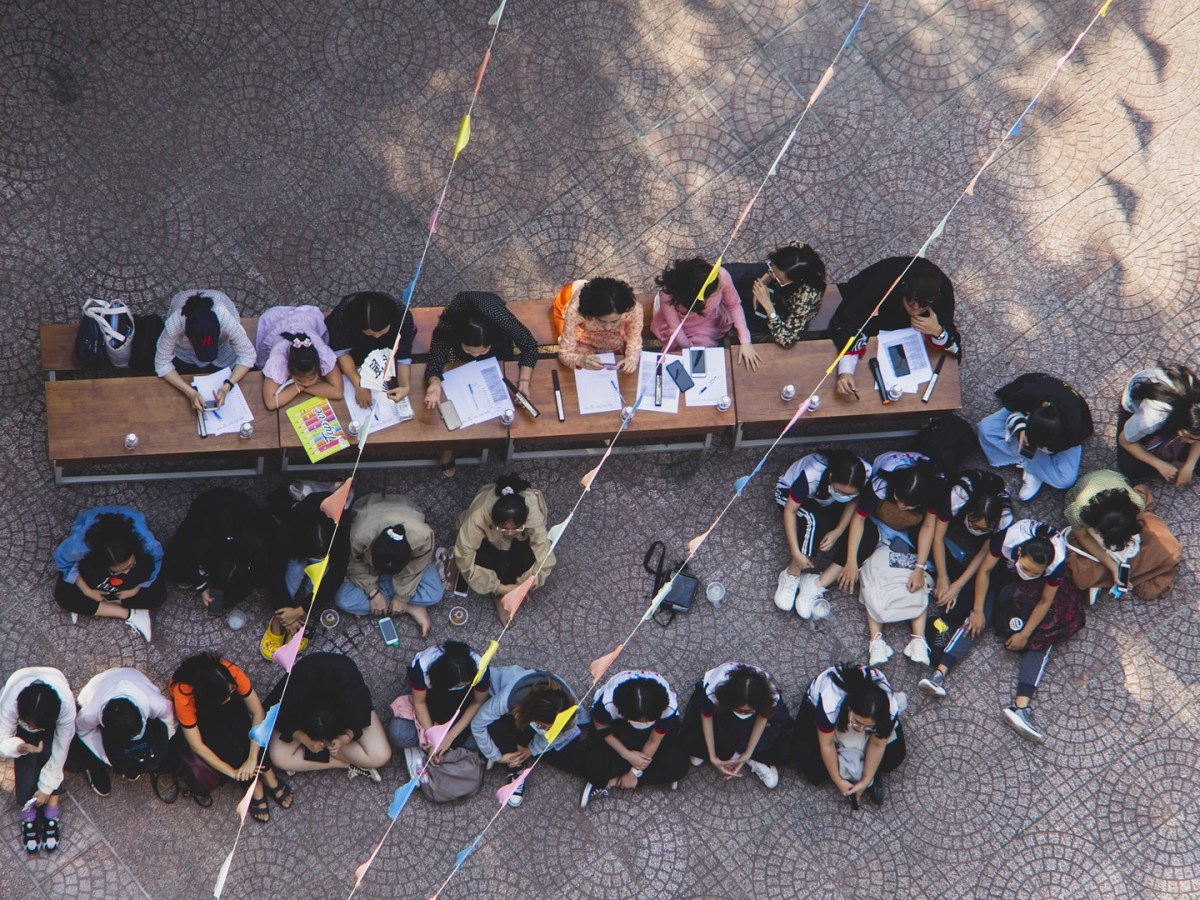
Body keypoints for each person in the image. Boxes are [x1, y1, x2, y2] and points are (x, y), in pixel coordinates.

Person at [917, 519, 1085, 744]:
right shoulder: (1009, 539)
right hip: (1001, 578)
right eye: (1025, 568)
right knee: (975, 619)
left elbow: (1046, 600)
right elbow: (985, 571)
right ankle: (938, 675)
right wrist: (977, 610)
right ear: (1018, 553)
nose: (1028, 573)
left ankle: (1021, 708)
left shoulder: (1057, 563)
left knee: (1046, 632)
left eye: (1035, 572)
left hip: (1032, 594)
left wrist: (1025, 633)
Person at [835, 453, 943, 666]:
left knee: (913, 579)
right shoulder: (882, 483)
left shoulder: (935, 490)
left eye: (909, 505)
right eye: (898, 500)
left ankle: (918, 640)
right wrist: (851, 561)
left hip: (906, 535)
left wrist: (919, 568)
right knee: (872, 574)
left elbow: (929, 527)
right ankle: (876, 641)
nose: (901, 506)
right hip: (877, 526)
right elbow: (859, 518)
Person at [423, 290, 538, 474]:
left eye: (482, 350)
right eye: (470, 350)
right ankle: (449, 446)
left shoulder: (502, 321)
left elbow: (530, 346)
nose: (476, 355)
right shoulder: (448, 327)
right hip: (459, 360)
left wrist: (524, 382)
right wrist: (434, 383)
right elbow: (435, 362)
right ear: (458, 339)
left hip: (498, 355)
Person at [168, 653, 292, 823]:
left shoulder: (229, 671)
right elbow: (197, 746)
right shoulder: (184, 696)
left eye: (232, 690)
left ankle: (266, 774)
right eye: (227, 694)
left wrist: (252, 758)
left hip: (218, 700)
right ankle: (253, 784)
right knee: (219, 742)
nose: (231, 695)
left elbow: (258, 713)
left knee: (245, 726)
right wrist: (233, 773)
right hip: (203, 711)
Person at [829, 256, 960, 398]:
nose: (915, 312)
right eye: (910, 305)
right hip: (882, 307)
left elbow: (951, 339)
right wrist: (846, 370)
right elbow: (851, 320)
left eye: (921, 309)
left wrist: (937, 331)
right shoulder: (882, 283)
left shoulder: (943, 290)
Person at [926, 469, 1014, 663]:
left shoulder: (1004, 519)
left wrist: (958, 585)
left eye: (983, 528)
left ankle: (941, 627)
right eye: (974, 524)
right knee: (923, 544)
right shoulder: (957, 496)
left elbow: (984, 554)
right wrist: (943, 577)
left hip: (971, 557)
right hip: (946, 537)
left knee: (979, 585)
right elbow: (937, 537)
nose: (978, 530)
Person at [471, 666, 589, 807]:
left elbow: (563, 733)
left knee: (570, 757)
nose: (548, 731)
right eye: (544, 726)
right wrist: (496, 755)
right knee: (495, 728)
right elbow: (478, 724)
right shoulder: (510, 698)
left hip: (526, 720)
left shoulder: (569, 712)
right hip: (501, 708)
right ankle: (516, 768)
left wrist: (531, 750)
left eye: (551, 728)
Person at [263, 483, 357, 659]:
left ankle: (299, 609)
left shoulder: (339, 525)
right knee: (293, 571)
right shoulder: (290, 527)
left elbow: (337, 572)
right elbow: (274, 569)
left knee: (323, 572)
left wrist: (301, 609)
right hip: (297, 550)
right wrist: (284, 607)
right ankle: (280, 616)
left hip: (320, 551)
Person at [773, 449, 871, 617]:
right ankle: (791, 573)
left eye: (849, 493)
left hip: (827, 502)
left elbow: (853, 503)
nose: (844, 496)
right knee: (814, 520)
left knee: (869, 533)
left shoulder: (866, 473)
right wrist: (796, 552)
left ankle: (815, 584)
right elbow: (790, 512)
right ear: (831, 477)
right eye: (840, 491)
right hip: (789, 495)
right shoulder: (811, 475)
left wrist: (838, 531)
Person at [266, 652, 391, 780]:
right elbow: (279, 717)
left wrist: (345, 738)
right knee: (279, 757)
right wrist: (304, 739)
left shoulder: (352, 697)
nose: (324, 743)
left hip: (342, 699)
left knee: (381, 754)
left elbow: (361, 716)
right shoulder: (293, 694)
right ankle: (348, 764)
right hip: (303, 706)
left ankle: (311, 756)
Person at [793, 663, 905, 806]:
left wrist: (865, 780)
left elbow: (878, 743)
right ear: (849, 708)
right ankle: (854, 763)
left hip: (856, 717)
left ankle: (859, 768)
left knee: (895, 756)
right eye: (858, 722)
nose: (861, 729)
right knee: (811, 766)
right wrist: (837, 780)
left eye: (869, 727)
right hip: (818, 707)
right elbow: (826, 744)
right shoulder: (830, 703)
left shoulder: (890, 709)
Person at [1063, 470, 1181, 602]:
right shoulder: (1078, 512)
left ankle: (1101, 582)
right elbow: (1083, 537)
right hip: (1085, 495)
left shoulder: (1136, 502)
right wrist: (1112, 566)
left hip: (1115, 483)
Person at [453, 474, 555, 624]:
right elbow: (464, 555)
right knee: (479, 558)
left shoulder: (532, 513)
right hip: (489, 539)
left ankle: (511, 589)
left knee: (529, 557)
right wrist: (499, 588)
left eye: (515, 528)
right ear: (494, 520)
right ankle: (499, 595)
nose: (509, 533)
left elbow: (544, 555)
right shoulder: (479, 516)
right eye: (504, 528)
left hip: (520, 540)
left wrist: (522, 586)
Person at [579, 670, 689, 808]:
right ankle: (647, 773)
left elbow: (654, 740)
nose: (643, 724)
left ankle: (611, 782)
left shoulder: (667, 708)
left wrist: (634, 773)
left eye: (647, 721)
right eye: (639, 721)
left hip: (652, 735)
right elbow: (601, 727)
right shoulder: (607, 705)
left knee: (680, 766)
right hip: (619, 728)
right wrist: (627, 754)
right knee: (589, 766)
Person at [52, 506, 164, 642]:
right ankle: (128, 613)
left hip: (114, 578)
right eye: (117, 571)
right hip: (93, 572)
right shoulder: (79, 546)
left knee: (158, 595)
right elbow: (62, 560)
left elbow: (156, 562)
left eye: (130, 565)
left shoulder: (148, 544)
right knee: (64, 596)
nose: (126, 572)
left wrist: (136, 589)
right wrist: (86, 590)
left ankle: (99, 605)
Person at [976, 373, 1094, 501]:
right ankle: (1038, 469)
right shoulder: (1029, 393)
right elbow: (1016, 409)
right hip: (1031, 414)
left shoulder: (1073, 427)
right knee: (985, 430)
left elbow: (1061, 446)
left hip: (1063, 437)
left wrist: (1031, 445)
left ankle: (1029, 466)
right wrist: (1021, 428)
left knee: (1066, 479)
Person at [678, 662, 792, 790]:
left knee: (785, 747)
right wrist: (712, 756)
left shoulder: (769, 695)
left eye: (748, 711)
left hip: (745, 715)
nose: (743, 713)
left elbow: (762, 718)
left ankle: (748, 756)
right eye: (740, 710)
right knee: (695, 737)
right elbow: (707, 718)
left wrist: (749, 752)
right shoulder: (714, 693)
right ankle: (737, 752)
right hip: (722, 711)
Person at [67, 667, 176, 796]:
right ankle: (94, 768)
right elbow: (84, 732)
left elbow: (170, 722)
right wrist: (106, 757)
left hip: (133, 678)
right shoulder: (90, 714)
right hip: (97, 688)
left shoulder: (158, 705)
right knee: (77, 750)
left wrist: (161, 743)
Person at [387, 641, 491, 776]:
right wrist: (433, 740)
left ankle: (423, 748)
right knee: (398, 734)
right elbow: (420, 703)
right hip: (428, 699)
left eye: (463, 685)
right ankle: (425, 749)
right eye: (455, 685)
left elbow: (477, 702)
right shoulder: (422, 668)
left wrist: (450, 736)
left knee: (476, 742)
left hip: (462, 705)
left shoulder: (480, 668)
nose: (458, 687)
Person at [0, 668, 75, 853]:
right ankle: (29, 809)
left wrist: (46, 788)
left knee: (51, 753)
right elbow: (2, 740)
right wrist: (19, 747)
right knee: (25, 760)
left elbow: (61, 749)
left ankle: (51, 804)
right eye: (28, 724)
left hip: (48, 719)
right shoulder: (10, 702)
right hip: (25, 721)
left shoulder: (66, 706)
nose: (31, 728)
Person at [346, 493, 443, 636]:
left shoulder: (422, 537)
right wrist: (373, 592)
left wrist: (402, 596)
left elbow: (416, 565)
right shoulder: (359, 536)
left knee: (435, 594)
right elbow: (351, 563)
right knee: (344, 599)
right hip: (368, 510)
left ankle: (389, 603)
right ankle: (409, 607)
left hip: (402, 562)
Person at [161, 488, 271, 614]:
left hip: (239, 514)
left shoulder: (255, 543)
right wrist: (201, 585)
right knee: (173, 571)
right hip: (207, 512)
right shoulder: (199, 531)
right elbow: (178, 557)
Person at [649, 257, 760, 369]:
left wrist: (746, 342)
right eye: (718, 289)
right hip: (678, 325)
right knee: (679, 356)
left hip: (708, 320)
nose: (722, 285)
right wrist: (691, 349)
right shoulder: (668, 296)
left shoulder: (721, 275)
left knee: (705, 352)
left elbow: (734, 305)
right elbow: (676, 331)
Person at [154, 289, 256, 410]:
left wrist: (227, 385)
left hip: (223, 348)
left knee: (225, 366)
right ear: (188, 337)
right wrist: (191, 393)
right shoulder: (175, 323)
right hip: (185, 352)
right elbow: (162, 363)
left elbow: (248, 355)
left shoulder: (224, 317)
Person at [325, 290, 417, 408]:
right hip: (356, 344)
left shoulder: (403, 316)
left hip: (388, 344)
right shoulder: (343, 314)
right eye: (370, 333)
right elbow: (341, 350)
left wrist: (405, 386)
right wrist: (359, 385)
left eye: (382, 332)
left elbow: (403, 355)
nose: (377, 336)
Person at [728, 242, 828, 347]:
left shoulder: (807, 298)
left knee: (751, 316)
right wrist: (766, 277)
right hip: (781, 291)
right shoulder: (796, 249)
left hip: (786, 311)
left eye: (780, 279)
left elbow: (787, 339)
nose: (774, 275)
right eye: (773, 268)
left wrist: (768, 307)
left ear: (797, 280)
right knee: (745, 274)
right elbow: (773, 272)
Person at [1116, 364, 1200, 487]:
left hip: (1171, 415)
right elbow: (1124, 440)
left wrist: (1189, 467)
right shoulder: (1152, 418)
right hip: (1137, 409)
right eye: (1189, 437)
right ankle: (1174, 462)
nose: (1190, 442)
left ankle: (1178, 462)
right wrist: (1160, 465)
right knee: (1129, 466)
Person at [254, 305, 343, 410]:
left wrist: (301, 386)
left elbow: (338, 392)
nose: (307, 383)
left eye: (311, 378)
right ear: (288, 368)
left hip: (305, 319)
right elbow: (271, 403)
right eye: (300, 380)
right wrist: (298, 387)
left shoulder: (321, 352)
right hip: (276, 323)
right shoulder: (278, 359)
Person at [555, 277, 643, 372]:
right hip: (568, 300)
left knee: (615, 345)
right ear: (590, 315)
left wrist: (632, 358)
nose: (608, 328)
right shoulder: (574, 311)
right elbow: (565, 353)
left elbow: (634, 340)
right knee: (582, 354)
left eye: (614, 321)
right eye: (602, 321)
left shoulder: (634, 310)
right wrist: (579, 360)